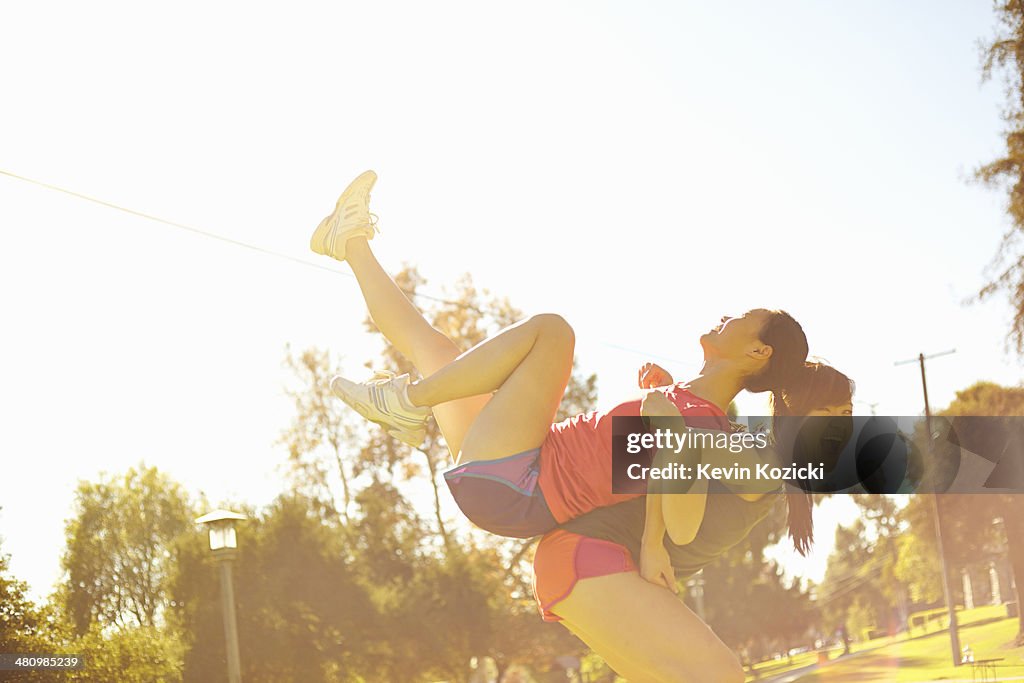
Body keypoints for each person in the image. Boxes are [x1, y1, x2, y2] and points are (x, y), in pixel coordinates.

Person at [311, 171, 816, 545]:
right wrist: (662, 397)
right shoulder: (680, 402)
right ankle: (350, 240)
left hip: (521, 486)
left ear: (757, 351)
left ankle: (407, 401)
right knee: (437, 350)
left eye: (740, 319)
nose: (725, 317)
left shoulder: (704, 425)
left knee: (553, 333)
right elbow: (632, 462)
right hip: (512, 469)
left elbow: (740, 484)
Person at [530, 363, 855, 682]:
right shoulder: (764, 463)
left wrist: (671, 411)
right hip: (591, 557)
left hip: (578, 563)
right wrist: (653, 541)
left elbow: (682, 447)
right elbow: (685, 445)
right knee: (721, 674)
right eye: (829, 414)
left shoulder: (756, 451)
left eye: (846, 414)